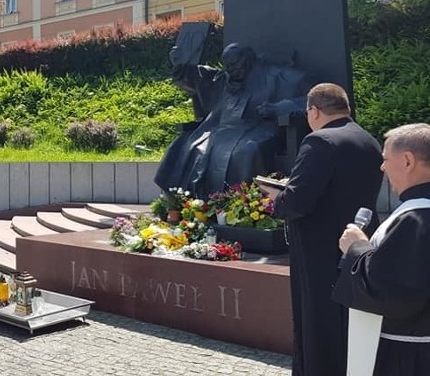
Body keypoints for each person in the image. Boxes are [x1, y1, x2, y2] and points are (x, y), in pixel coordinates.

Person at [265, 83, 383, 375]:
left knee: (318, 324)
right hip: (358, 243)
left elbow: (297, 201)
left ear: (314, 111)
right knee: (349, 322)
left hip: (318, 249)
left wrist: (275, 199)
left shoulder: (319, 141)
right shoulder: (369, 140)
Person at [335, 123, 430, 375]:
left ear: (408, 160)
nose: (382, 167)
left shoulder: (416, 219)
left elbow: (391, 291)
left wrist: (356, 247)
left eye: (386, 159)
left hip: (409, 355)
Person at [155, 43, 310, 197]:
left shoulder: (279, 77)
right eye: (228, 66)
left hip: (259, 128)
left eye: (235, 65)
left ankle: (243, 204)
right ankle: (184, 201)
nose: (231, 70)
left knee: (247, 151)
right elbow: (200, 78)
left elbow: (310, 99)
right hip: (219, 129)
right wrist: (181, 67)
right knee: (182, 144)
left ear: (248, 60)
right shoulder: (225, 78)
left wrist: (278, 108)